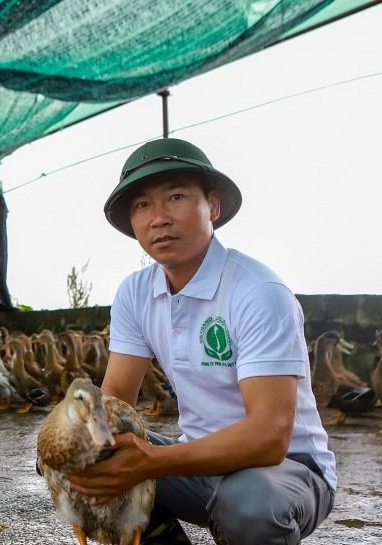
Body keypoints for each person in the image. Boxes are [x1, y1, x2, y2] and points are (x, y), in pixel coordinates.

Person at [66, 138, 336, 545]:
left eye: (175, 196)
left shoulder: (257, 291)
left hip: (285, 469)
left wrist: (152, 461)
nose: (158, 218)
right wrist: (77, 447)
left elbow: (269, 435)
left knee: (247, 504)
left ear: (213, 206)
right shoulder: (135, 293)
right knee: (80, 458)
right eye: (142, 205)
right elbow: (116, 401)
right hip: (197, 463)